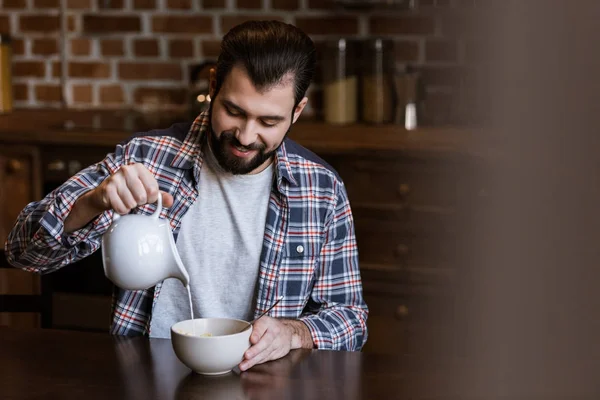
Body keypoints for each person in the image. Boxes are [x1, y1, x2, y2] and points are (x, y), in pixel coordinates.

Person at [4, 20, 368, 371]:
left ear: (297, 111)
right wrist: (92, 201)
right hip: (143, 377)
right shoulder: (146, 157)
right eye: (233, 111)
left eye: (268, 122)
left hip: (262, 384)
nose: (244, 135)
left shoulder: (321, 190)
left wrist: (295, 332)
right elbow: (23, 252)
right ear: (213, 86)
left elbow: (351, 319)